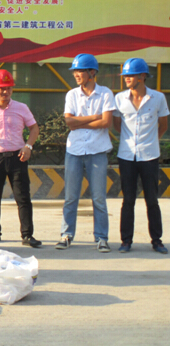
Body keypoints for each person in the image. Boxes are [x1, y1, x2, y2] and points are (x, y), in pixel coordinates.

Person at [56, 53, 115, 253]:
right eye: (75, 71)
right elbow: (69, 122)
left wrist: (80, 121)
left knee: (98, 198)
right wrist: (94, 117)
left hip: (97, 151)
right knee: (71, 197)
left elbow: (106, 122)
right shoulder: (72, 95)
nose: (76, 75)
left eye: (80, 71)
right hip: (74, 151)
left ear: (92, 72)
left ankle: (101, 238)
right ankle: (66, 235)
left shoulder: (105, 93)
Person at [113, 58, 169, 254]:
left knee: (152, 199)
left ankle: (157, 240)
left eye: (130, 75)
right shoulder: (119, 98)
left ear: (142, 76)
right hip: (127, 156)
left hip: (150, 156)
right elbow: (117, 125)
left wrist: (151, 141)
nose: (126, 79)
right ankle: (126, 241)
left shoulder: (158, 98)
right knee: (128, 200)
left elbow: (163, 125)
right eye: (125, 76)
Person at [0, 69, 41, 248]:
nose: (5, 92)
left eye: (8, 88)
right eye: (1, 88)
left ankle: (27, 234)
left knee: (23, 197)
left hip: (18, 157)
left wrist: (28, 146)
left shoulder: (21, 108)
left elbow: (34, 128)